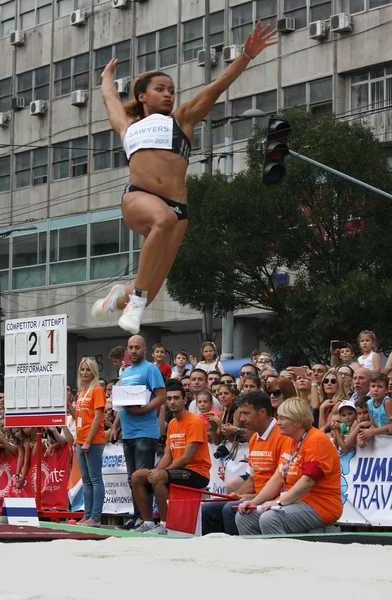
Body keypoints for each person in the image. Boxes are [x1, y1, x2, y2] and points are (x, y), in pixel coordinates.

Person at [91, 21, 278, 334]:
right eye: (160, 89)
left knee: (151, 289)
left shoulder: (182, 119)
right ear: (141, 96)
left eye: (172, 91)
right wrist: (105, 77)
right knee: (160, 222)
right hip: (138, 198)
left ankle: (118, 300)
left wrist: (246, 54)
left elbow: (216, 87)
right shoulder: (128, 126)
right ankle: (134, 300)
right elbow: (110, 98)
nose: (168, 95)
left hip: (178, 209)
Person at [236, 398, 342, 536]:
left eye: (282, 418)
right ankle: (259, 555)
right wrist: (254, 502)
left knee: (270, 518)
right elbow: (277, 479)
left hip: (320, 505)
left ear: (297, 420)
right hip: (295, 502)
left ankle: (282, 556)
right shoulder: (290, 440)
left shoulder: (317, 440)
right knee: (244, 517)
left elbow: (307, 481)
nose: (278, 422)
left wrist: (278, 502)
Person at [202, 391, 287, 536]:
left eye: (246, 413)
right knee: (207, 508)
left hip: (272, 498)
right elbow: (252, 479)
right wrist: (239, 493)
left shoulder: (282, 436)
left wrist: (248, 496)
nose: (241, 419)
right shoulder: (254, 438)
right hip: (256, 495)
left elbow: (281, 482)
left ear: (262, 412)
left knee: (230, 508)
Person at [131, 383, 211, 535]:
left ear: (185, 399)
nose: (172, 402)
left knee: (159, 476)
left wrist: (161, 472)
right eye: (169, 399)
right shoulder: (173, 423)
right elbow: (168, 455)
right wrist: (156, 470)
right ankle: (148, 523)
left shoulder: (194, 422)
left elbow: (187, 458)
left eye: (176, 398)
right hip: (180, 471)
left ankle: (166, 524)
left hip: (197, 473)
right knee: (137, 476)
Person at [110, 335, 166, 529]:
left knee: (142, 477)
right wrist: (115, 426)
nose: (133, 351)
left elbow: (161, 396)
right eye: (130, 348)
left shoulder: (151, 369)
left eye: (137, 347)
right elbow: (121, 402)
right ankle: (137, 516)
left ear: (145, 349)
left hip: (145, 431)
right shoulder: (125, 373)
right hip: (128, 432)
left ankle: (147, 518)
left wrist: (144, 410)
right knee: (131, 478)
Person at [67, 357, 106, 527]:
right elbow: (78, 416)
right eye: (82, 369)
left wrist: (88, 440)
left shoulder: (97, 390)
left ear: (94, 372)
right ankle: (88, 515)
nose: (84, 373)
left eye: (88, 369)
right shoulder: (82, 392)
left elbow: (98, 417)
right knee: (87, 480)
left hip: (93, 440)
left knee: (96, 478)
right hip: (80, 439)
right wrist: (68, 403)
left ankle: (95, 517)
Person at [357, 373, 392, 444]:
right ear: (369, 388)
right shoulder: (369, 403)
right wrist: (365, 435)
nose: (375, 389)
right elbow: (373, 425)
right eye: (373, 386)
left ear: (386, 390)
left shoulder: (387, 402)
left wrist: (372, 431)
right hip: (381, 438)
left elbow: (391, 425)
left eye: (379, 386)